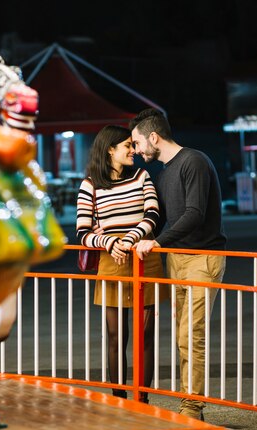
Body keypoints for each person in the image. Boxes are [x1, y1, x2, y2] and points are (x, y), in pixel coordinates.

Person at [130, 108, 227, 420]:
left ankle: (192, 406)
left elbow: (194, 213)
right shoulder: (165, 171)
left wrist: (157, 242)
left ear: (154, 137)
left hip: (202, 257)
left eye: (137, 142)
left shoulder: (193, 161)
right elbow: (160, 219)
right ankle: (189, 400)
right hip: (177, 258)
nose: (136, 150)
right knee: (183, 333)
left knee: (192, 333)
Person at [76, 125, 166, 402]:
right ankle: (119, 398)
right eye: (127, 146)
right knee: (116, 336)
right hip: (111, 260)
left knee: (146, 334)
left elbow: (152, 214)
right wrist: (110, 243)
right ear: (109, 150)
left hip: (143, 255)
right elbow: (82, 233)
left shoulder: (142, 176)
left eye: (132, 145)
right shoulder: (90, 184)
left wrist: (127, 240)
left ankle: (143, 400)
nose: (133, 151)